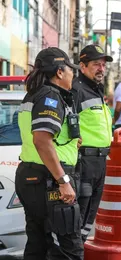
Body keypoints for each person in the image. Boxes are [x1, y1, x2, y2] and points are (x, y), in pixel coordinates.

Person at [15, 47, 83, 259]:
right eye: (70, 69)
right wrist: (63, 180)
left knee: (39, 245)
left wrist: (71, 144)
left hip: (32, 176)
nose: (73, 74)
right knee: (69, 249)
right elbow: (42, 141)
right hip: (50, 179)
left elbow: (45, 137)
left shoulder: (33, 94)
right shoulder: (50, 97)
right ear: (60, 72)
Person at [72, 44, 113, 242]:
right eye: (96, 64)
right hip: (83, 163)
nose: (101, 69)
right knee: (77, 219)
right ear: (83, 66)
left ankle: (77, 251)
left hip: (99, 162)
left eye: (103, 65)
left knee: (89, 218)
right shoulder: (76, 90)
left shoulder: (96, 91)